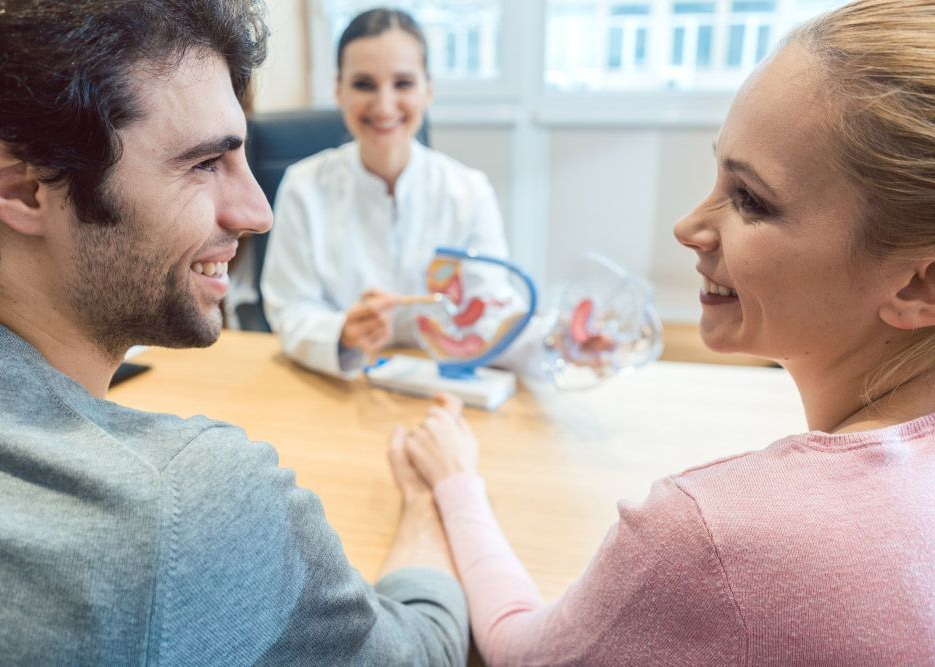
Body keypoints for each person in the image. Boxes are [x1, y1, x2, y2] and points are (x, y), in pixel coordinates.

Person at [396, 0, 935, 664]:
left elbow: (517, 651)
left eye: (750, 200)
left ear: (917, 285)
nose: (688, 226)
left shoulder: (709, 535)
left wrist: (454, 480)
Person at [0, 2, 469, 664]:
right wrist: (428, 499)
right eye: (204, 163)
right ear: (19, 184)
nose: (257, 212)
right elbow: (423, 654)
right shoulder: (183, 504)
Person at [261, 8, 524, 378]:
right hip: (344, 386)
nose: (384, 106)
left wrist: (552, 339)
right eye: (364, 84)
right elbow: (289, 308)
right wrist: (340, 334)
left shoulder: (469, 192)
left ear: (428, 90)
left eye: (403, 83)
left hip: (441, 385)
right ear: (339, 90)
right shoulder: (303, 187)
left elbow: (490, 309)